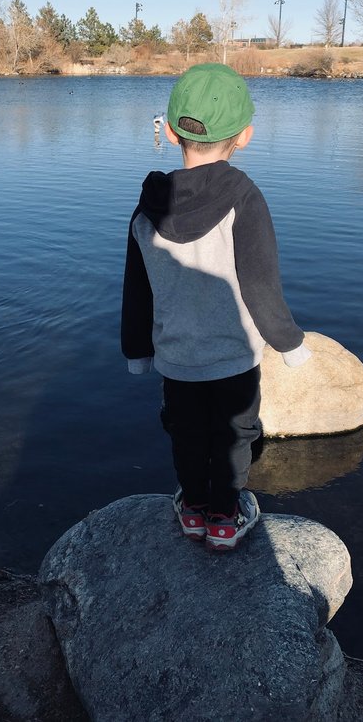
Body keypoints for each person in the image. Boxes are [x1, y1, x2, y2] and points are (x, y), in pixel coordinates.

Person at [121, 63, 311, 551]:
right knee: (234, 436)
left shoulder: (148, 207)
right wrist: (289, 343)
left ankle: (193, 509)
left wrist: (137, 351)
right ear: (244, 135)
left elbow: (137, 289)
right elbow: (261, 284)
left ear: (168, 131)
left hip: (176, 359)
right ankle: (226, 517)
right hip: (234, 358)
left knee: (186, 432)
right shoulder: (244, 198)